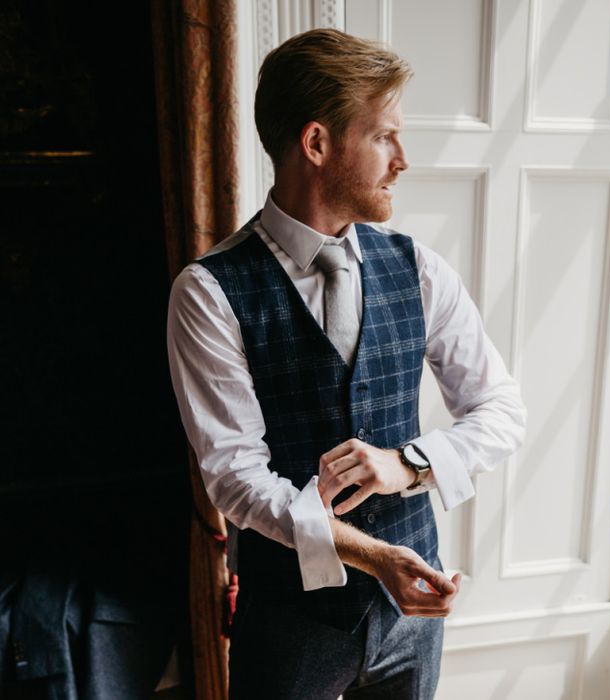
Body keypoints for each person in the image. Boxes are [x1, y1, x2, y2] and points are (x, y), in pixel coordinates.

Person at [167, 28, 526, 700]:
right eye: (385, 135)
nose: (403, 159)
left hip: (413, 615)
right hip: (290, 621)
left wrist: (411, 463)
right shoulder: (209, 292)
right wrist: (373, 558)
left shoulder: (419, 268)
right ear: (317, 144)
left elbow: (502, 410)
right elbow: (235, 479)